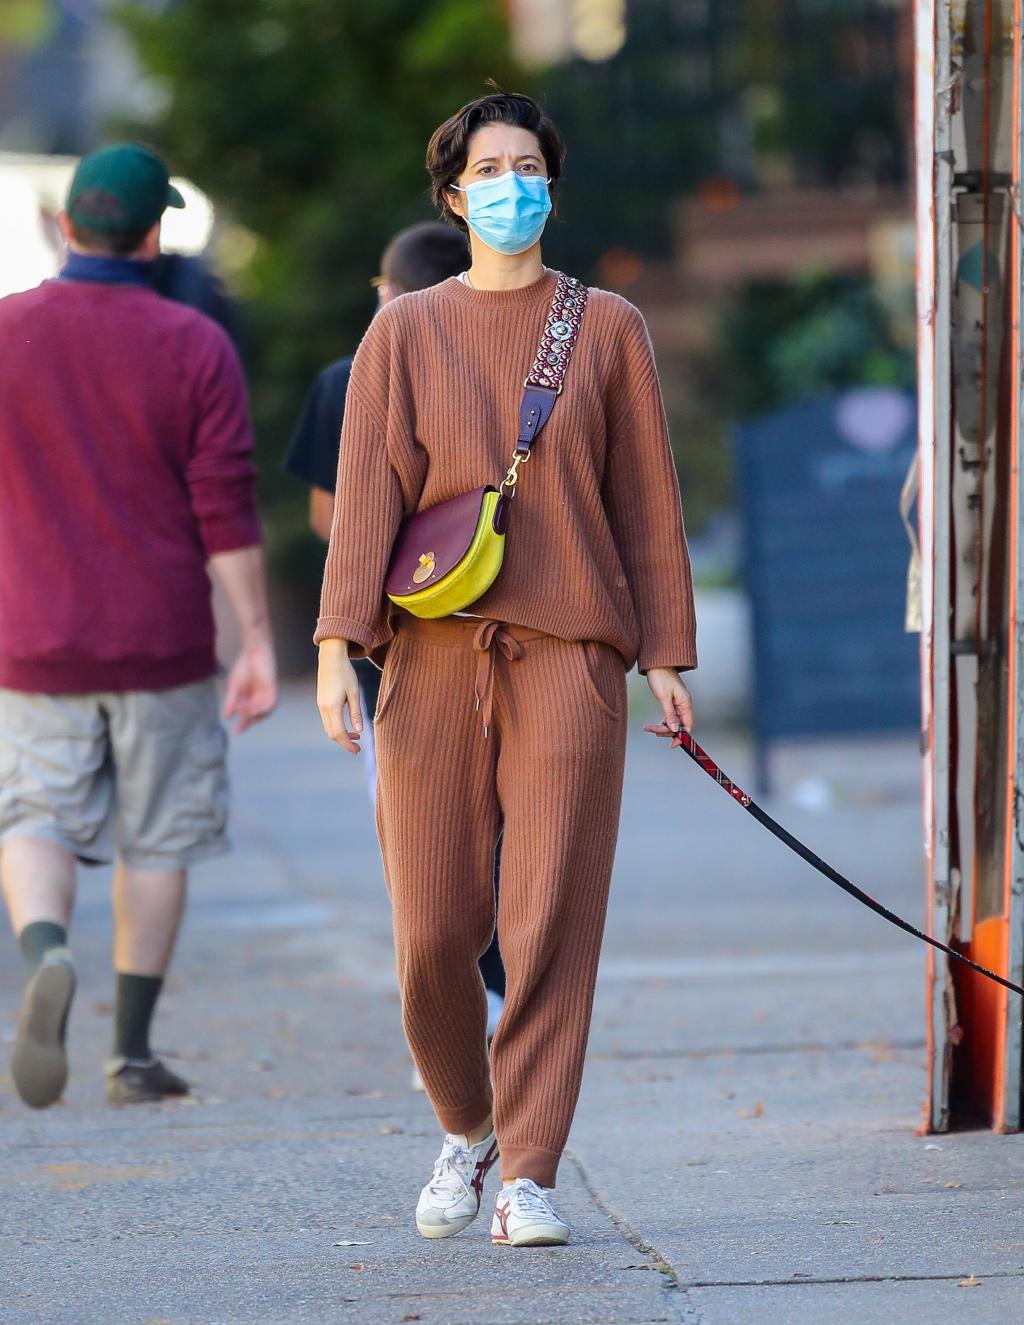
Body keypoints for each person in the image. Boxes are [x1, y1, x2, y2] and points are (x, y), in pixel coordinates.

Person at [316, 92, 696, 1248]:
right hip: (431, 658)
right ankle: (467, 1124)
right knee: (433, 929)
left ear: (550, 186)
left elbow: (645, 499)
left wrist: (667, 655)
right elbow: (369, 492)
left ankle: (528, 1169)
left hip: (570, 658)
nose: (510, 183)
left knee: (546, 922)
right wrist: (337, 645)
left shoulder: (609, 326)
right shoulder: (403, 331)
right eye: (489, 167)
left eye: (528, 165)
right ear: (451, 193)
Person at [0, 143, 277, 1109]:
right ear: (154, 232)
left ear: (67, 226)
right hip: (161, 637)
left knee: (34, 815)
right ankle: (130, 1053)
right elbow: (226, 509)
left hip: (33, 635)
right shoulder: (193, 343)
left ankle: (44, 953)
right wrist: (257, 640)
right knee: (155, 841)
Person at [286, 222, 507, 1077]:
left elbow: (327, 521)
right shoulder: (508, 362)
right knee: (512, 820)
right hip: (512, 628)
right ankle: (508, 992)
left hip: (398, 642)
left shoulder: (348, 378)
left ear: (387, 291)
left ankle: (461, 1004)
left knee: (421, 831)